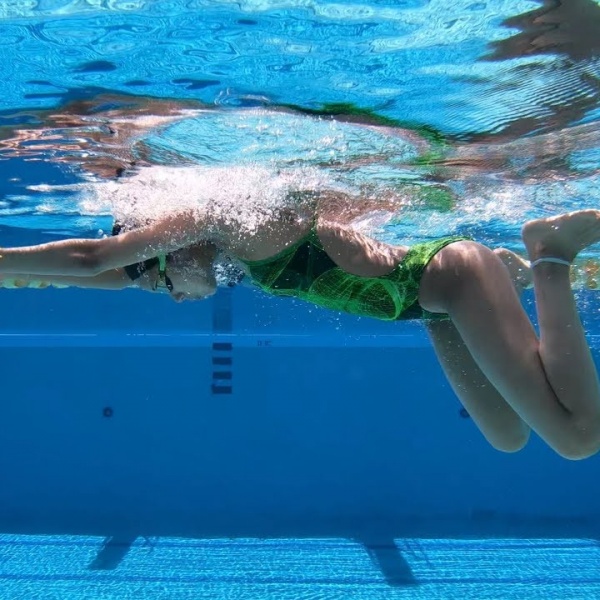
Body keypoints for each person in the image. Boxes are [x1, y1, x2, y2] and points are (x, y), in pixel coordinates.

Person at [0, 177, 599, 462]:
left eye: (163, 286)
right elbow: (103, 274)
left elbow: (93, 259)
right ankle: (514, 270)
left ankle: (551, 255)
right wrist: (24, 276)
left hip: (454, 277)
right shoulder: (228, 258)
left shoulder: (233, 222)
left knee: (576, 439)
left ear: (169, 251)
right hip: (430, 310)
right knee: (508, 437)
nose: (175, 300)